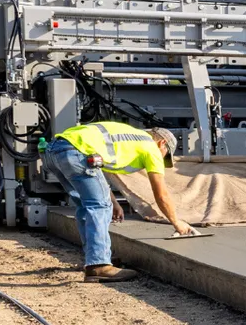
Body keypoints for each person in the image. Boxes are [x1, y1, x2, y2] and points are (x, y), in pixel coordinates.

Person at [42, 121, 194, 284]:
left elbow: (98, 173)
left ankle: (94, 258)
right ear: (162, 143)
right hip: (77, 152)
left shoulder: (128, 138)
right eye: (165, 154)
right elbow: (161, 194)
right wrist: (177, 222)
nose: (162, 158)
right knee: (98, 206)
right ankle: (99, 264)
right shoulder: (151, 148)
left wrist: (113, 202)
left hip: (53, 152)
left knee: (86, 205)